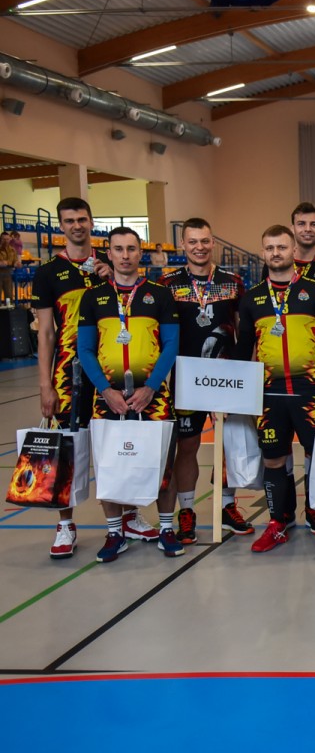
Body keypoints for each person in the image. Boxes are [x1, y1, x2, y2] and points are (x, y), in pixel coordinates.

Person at [31, 198, 131, 558]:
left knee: (116, 448)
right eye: (70, 220)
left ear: (91, 222)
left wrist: (111, 279)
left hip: (110, 370)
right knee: (67, 451)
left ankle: (126, 517)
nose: (77, 225)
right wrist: (45, 385)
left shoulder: (112, 262)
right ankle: (65, 526)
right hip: (68, 374)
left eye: (82, 219)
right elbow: (45, 333)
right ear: (61, 226)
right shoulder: (47, 273)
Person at [76, 227, 181, 562]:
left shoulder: (159, 294)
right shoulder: (93, 297)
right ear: (108, 253)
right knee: (110, 466)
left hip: (153, 396)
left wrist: (151, 387)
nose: (125, 255)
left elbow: (171, 345)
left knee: (163, 465)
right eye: (118, 249)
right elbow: (85, 350)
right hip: (108, 397)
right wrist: (105, 390)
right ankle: (115, 533)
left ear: (140, 253)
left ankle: (167, 528)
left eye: (131, 249)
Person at [237, 225, 315, 553]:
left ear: (293, 250)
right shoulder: (252, 298)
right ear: (262, 252)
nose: (276, 253)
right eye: (270, 248)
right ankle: (278, 522)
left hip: (310, 391)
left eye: (282, 247)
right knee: (273, 459)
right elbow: (243, 351)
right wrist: (234, 391)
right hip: (269, 394)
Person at [160, 218, 251, 543]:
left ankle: (227, 506)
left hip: (226, 376)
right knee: (187, 446)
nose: (199, 247)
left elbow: (243, 327)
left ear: (213, 243)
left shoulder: (233, 282)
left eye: (204, 241)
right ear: (183, 245)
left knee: (229, 443)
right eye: (193, 242)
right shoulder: (167, 284)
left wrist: (245, 370)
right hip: (187, 378)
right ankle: (186, 511)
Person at [0, 233, 16, 306]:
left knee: (9, 295)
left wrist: (16, 263)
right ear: (1, 239)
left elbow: (14, 261)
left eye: (7, 239)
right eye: (4, 239)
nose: (6, 241)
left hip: (8, 274)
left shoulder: (12, 250)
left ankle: (9, 309)